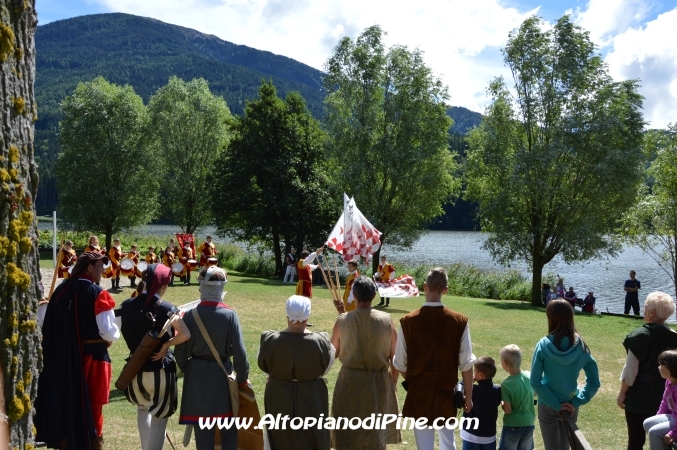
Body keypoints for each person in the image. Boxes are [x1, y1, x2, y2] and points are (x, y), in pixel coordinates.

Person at [35, 251, 120, 450]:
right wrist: (110, 338)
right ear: (89, 267)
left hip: (63, 359)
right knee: (94, 406)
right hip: (92, 358)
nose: (102, 270)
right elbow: (108, 330)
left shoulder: (60, 291)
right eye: (100, 266)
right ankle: (92, 443)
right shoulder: (98, 293)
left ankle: (67, 442)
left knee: (66, 403)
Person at [393, 267, 475, 450]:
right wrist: (468, 396)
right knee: (448, 444)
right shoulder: (458, 321)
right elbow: (466, 364)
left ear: (424, 287)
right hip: (446, 393)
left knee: (424, 447)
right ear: (445, 289)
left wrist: (415, 380)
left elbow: (399, 362)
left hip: (420, 393)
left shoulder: (408, 321)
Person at [175, 266, 250, 450]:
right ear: (221, 287)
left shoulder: (189, 315)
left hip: (197, 375)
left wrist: (188, 369)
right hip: (222, 375)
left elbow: (180, 352)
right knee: (229, 433)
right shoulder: (230, 316)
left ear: (202, 286)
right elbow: (240, 353)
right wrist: (241, 378)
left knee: (203, 436)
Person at [120, 264, 191, 450]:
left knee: (142, 410)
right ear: (164, 286)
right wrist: (166, 344)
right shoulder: (167, 308)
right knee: (160, 419)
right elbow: (185, 334)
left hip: (135, 371)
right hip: (160, 371)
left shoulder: (126, 306)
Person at [330, 276, 401, 449]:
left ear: (354, 295)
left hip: (349, 383)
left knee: (347, 434)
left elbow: (333, 352)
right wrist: (392, 380)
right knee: (378, 436)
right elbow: (396, 356)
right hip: (378, 383)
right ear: (374, 295)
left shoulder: (342, 320)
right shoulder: (386, 320)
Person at [258, 295, 334, 449]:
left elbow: (263, 364)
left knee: (280, 437)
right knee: (312, 437)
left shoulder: (270, 341)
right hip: (311, 395)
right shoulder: (321, 341)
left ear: (287, 313)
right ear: (308, 314)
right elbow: (326, 366)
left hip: (279, 395)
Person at [530, 299, 600, 450]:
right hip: (570, 404)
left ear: (550, 317)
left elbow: (535, 381)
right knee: (565, 447)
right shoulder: (581, 346)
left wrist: (555, 404)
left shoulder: (543, 345)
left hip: (548, 404)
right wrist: (576, 402)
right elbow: (594, 382)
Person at [618, 291, 677, 450]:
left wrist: (623, 393)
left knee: (636, 441)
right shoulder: (674, 337)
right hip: (668, 398)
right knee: (662, 440)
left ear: (651, 312)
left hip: (639, 398)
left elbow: (630, 371)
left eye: (644, 308)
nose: (643, 311)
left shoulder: (639, 336)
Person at [498, 345, 535, 450]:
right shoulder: (529, 376)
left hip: (512, 426)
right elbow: (535, 393)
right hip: (529, 424)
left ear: (505, 363)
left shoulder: (506, 384)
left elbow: (508, 410)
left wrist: (501, 401)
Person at [461, 357, 501, 450]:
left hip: (470, 434)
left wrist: (467, 381)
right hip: (489, 436)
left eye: (474, 371)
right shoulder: (498, 390)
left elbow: (459, 389)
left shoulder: (472, 390)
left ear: (480, 374)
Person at [643, 350, 677, 450]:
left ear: (671, 368)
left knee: (654, 432)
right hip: (674, 416)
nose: (658, 367)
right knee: (647, 423)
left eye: (661, 364)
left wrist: (673, 434)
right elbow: (665, 402)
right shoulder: (669, 382)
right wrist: (658, 417)